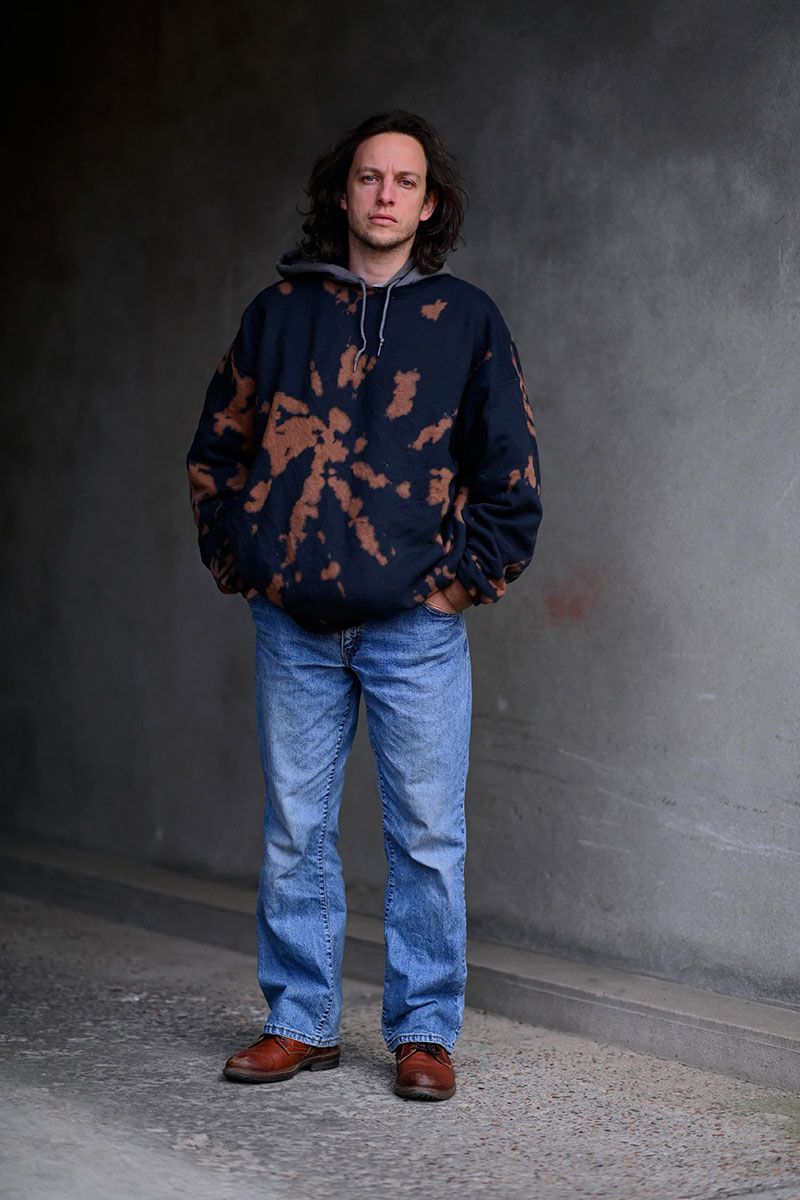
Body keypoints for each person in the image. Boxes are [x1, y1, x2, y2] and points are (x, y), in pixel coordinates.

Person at [186, 110, 542, 1102]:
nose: (385, 194)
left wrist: (459, 582)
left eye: (405, 181)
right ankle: (300, 1022)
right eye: (369, 177)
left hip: (413, 628)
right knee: (295, 830)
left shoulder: (466, 321)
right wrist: (245, 561)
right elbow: (217, 448)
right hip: (292, 624)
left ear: (428, 206)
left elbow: (510, 469)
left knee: (426, 835)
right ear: (341, 194)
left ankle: (424, 1032)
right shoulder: (277, 314)